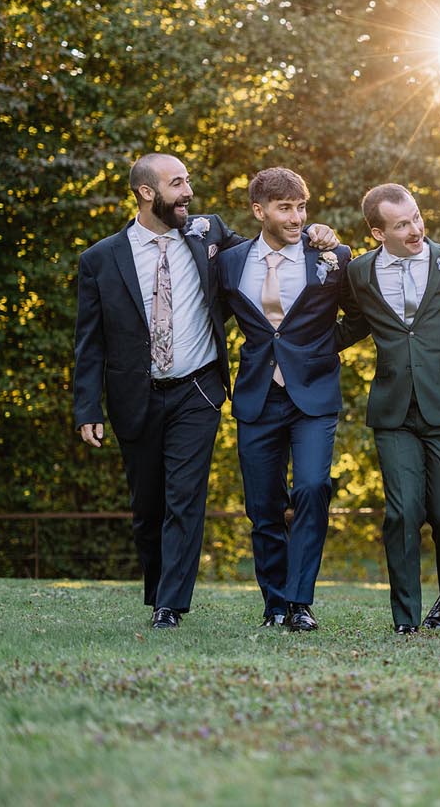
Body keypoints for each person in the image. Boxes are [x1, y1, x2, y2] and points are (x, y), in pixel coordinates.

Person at [72, 153, 335, 629]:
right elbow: (89, 341)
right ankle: (159, 589)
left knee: (185, 500)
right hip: (136, 393)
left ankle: (170, 605)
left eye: (188, 181)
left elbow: (267, 252)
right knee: (147, 507)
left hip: (198, 388)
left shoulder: (208, 233)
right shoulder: (101, 259)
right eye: (178, 183)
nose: (188, 192)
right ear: (148, 192)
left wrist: (317, 233)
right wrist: (87, 406)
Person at [214, 167, 358, 632]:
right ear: (260, 211)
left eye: (301, 207)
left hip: (314, 393)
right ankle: (274, 603)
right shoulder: (232, 262)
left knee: (313, 486)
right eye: (285, 208)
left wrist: (319, 349)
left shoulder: (331, 257)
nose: (297, 217)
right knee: (263, 506)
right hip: (257, 395)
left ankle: (300, 602)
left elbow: (359, 317)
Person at [343, 184, 440, 635]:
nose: (416, 229)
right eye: (402, 224)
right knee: (401, 514)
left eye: (416, 217)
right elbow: (355, 323)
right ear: (379, 233)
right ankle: (405, 619)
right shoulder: (360, 272)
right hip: (394, 410)